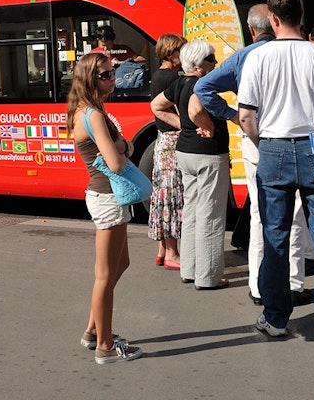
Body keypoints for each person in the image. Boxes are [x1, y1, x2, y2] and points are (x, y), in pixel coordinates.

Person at [237, 0, 314, 339]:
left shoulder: (256, 58)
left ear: (272, 20)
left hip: (273, 148)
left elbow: (246, 116)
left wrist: (266, 142)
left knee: (274, 235)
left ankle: (276, 319)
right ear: (300, 14)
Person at [194, 5, 314, 307]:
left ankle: (258, 285)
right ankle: (293, 283)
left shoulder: (243, 57)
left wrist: (232, 115)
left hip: (256, 138)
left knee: (261, 213)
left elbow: (203, 87)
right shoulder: (300, 52)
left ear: (250, 30)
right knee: (296, 211)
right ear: (276, 24)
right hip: (292, 139)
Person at [69, 52, 143, 364]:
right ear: (89, 79)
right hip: (107, 197)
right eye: (105, 75)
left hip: (106, 196)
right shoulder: (94, 115)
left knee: (120, 264)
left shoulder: (90, 111)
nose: (113, 79)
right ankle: (105, 345)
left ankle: (91, 331)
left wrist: (122, 146)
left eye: (112, 72)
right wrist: (124, 146)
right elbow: (114, 161)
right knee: (104, 275)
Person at [151, 40, 228, 290]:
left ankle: (189, 269)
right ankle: (208, 277)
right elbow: (195, 109)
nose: (215, 62)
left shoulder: (179, 82)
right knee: (211, 215)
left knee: (193, 212)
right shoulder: (201, 83)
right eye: (210, 58)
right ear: (197, 63)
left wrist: (183, 125)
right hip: (208, 154)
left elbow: (156, 106)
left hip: (185, 152)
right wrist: (207, 126)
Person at [146, 33, 185, 269]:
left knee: (162, 196)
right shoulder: (171, 78)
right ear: (171, 54)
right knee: (172, 198)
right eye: (181, 51)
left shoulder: (158, 76)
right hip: (173, 142)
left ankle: (162, 249)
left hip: (162, 143)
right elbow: (180, 113)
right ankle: (172, 253)